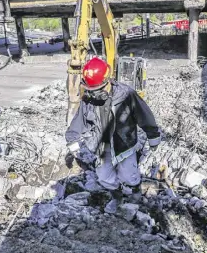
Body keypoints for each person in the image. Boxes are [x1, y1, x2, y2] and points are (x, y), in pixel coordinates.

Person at [65, 57, 161, 203]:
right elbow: (80, 119)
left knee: (129, 175)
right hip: (102, 147)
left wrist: (153, 135)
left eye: (98, 89)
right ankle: (116, 195)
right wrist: (72, 138)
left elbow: (144, 115)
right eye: (91, 90)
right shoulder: (89, 98)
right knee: (103, 176)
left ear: (108, 80)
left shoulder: (126, 94)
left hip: (124, 144)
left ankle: (134, 194)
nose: (95, 93)